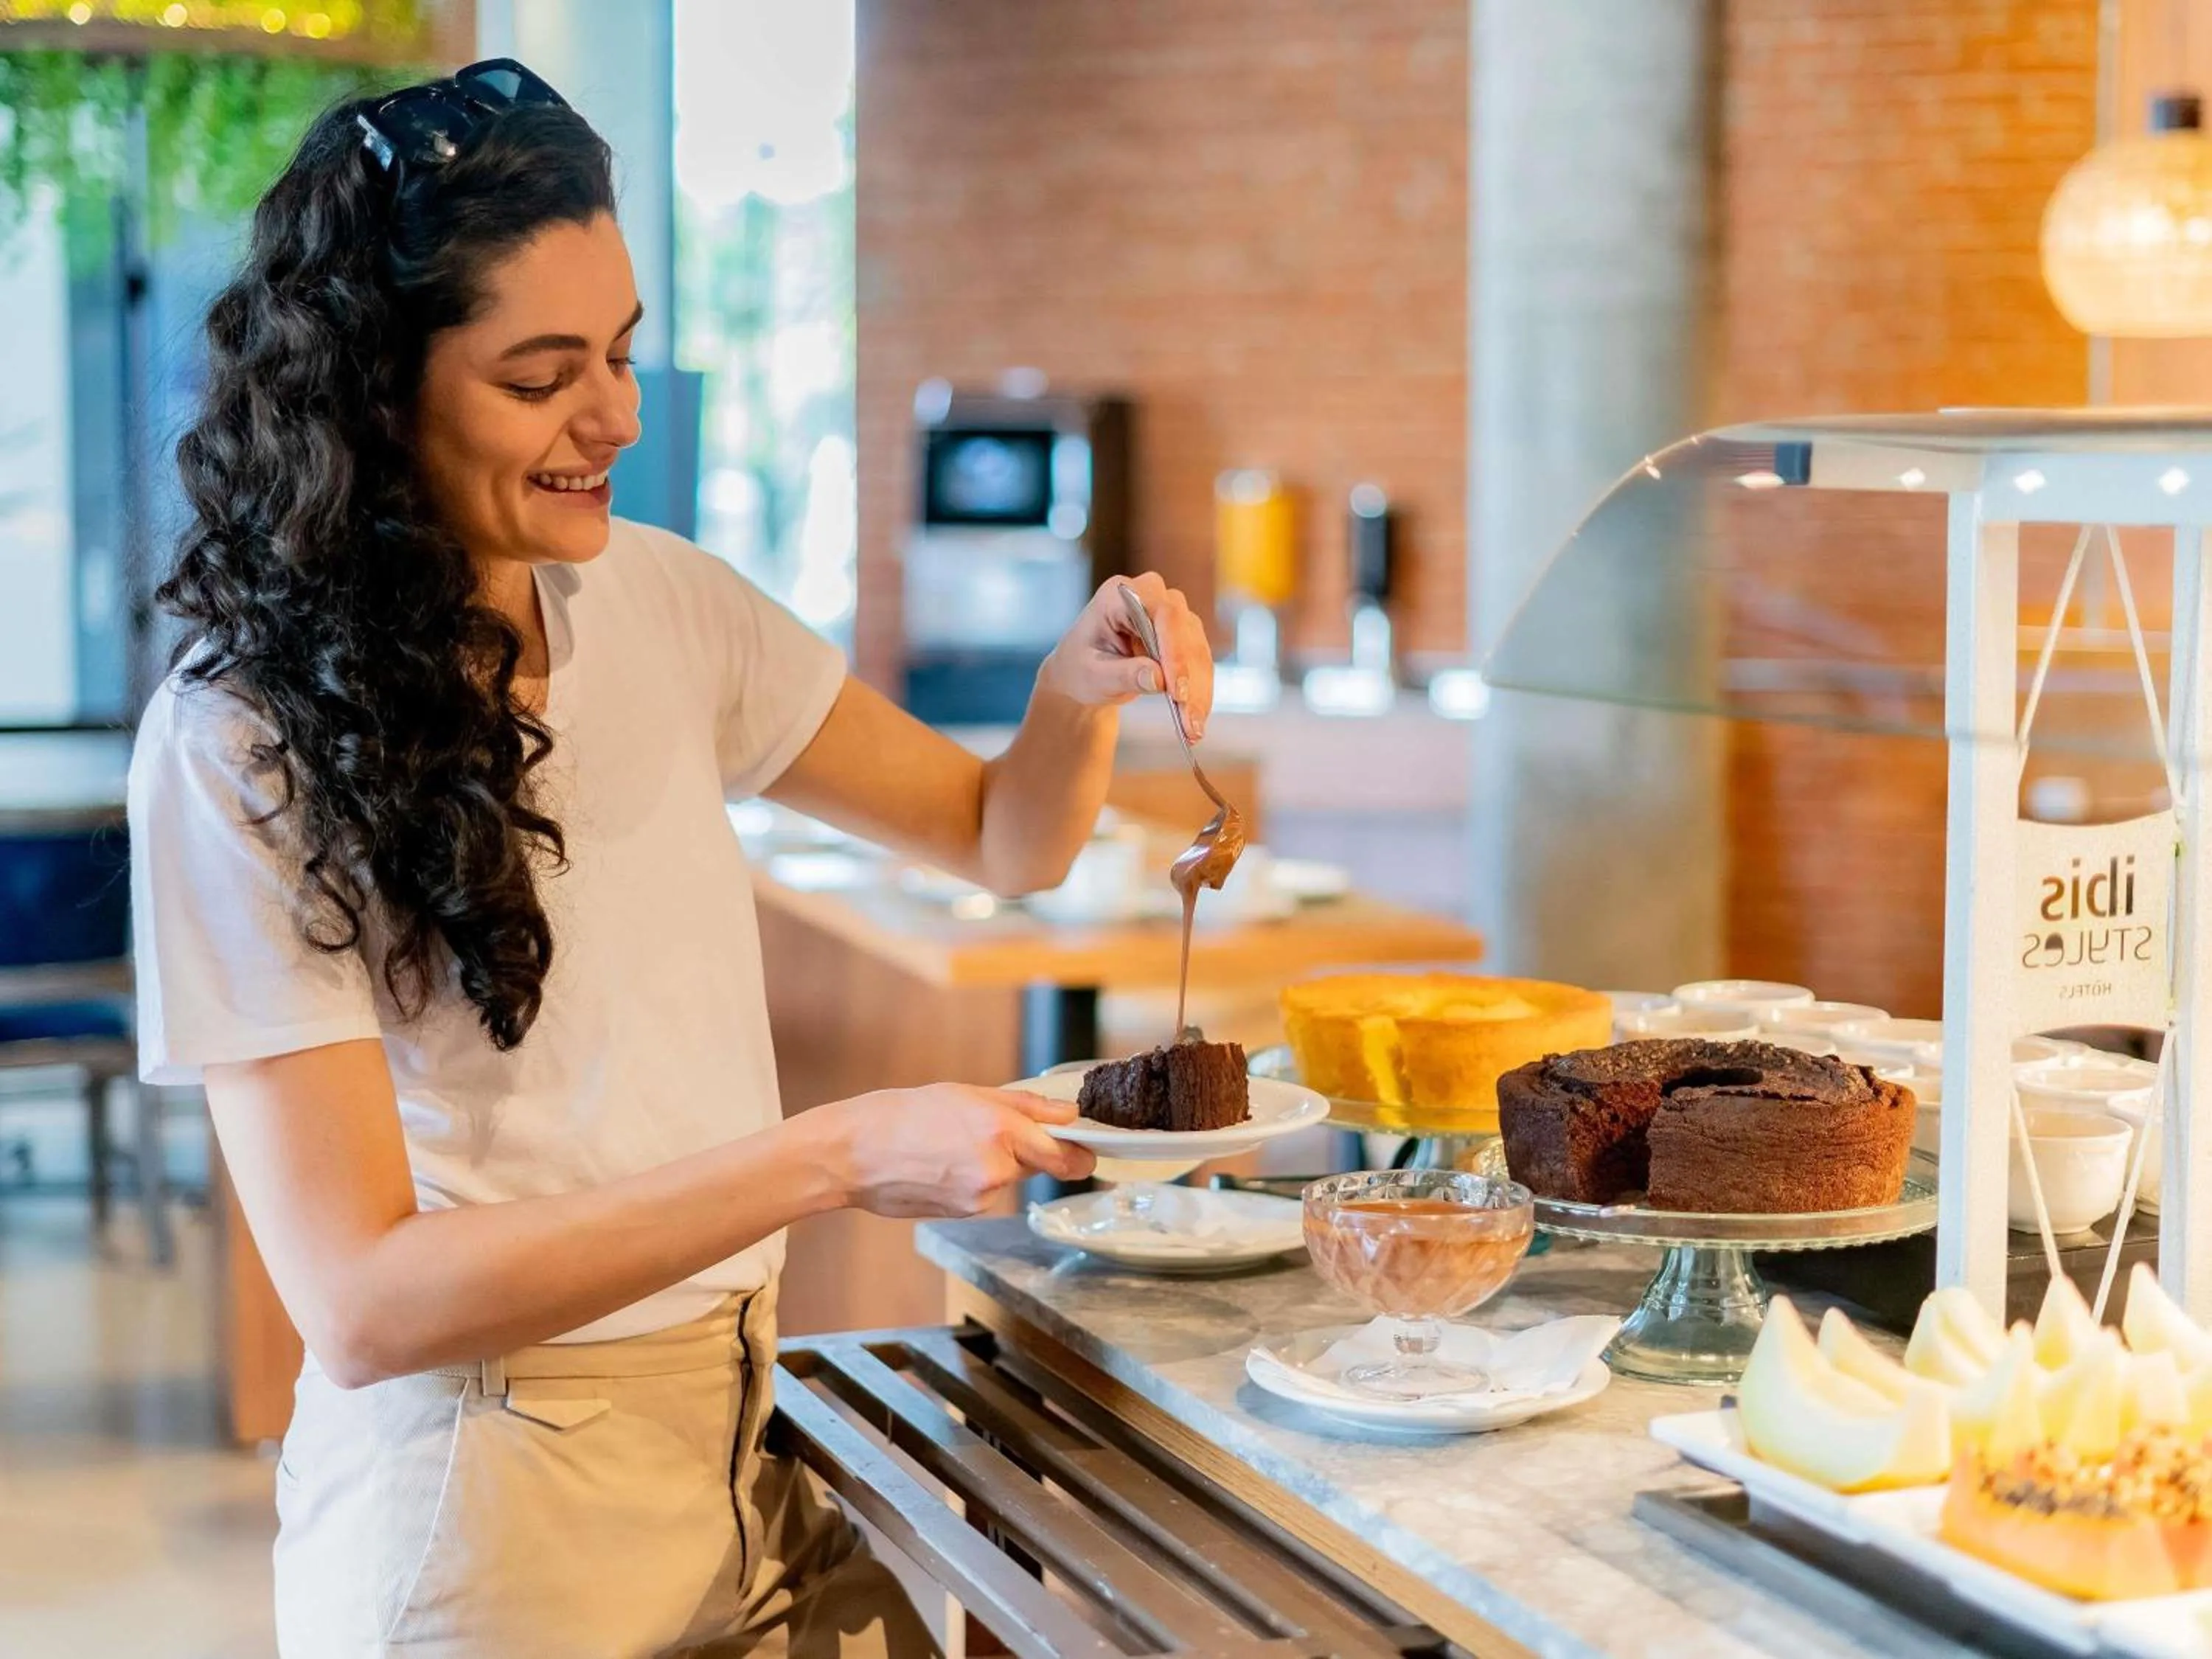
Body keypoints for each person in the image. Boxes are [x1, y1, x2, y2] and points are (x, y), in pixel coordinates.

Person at [128, 60, 1213, 1658]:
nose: (616, 417)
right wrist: (834, 1156)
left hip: (743, 1435)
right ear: (374, 390)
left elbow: (1004, 836)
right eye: (540, 375)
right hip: (487, 1514)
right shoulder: (240, 749)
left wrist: (1075, 689)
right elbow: (361, 1305)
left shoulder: (662, 602)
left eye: (625, 354)